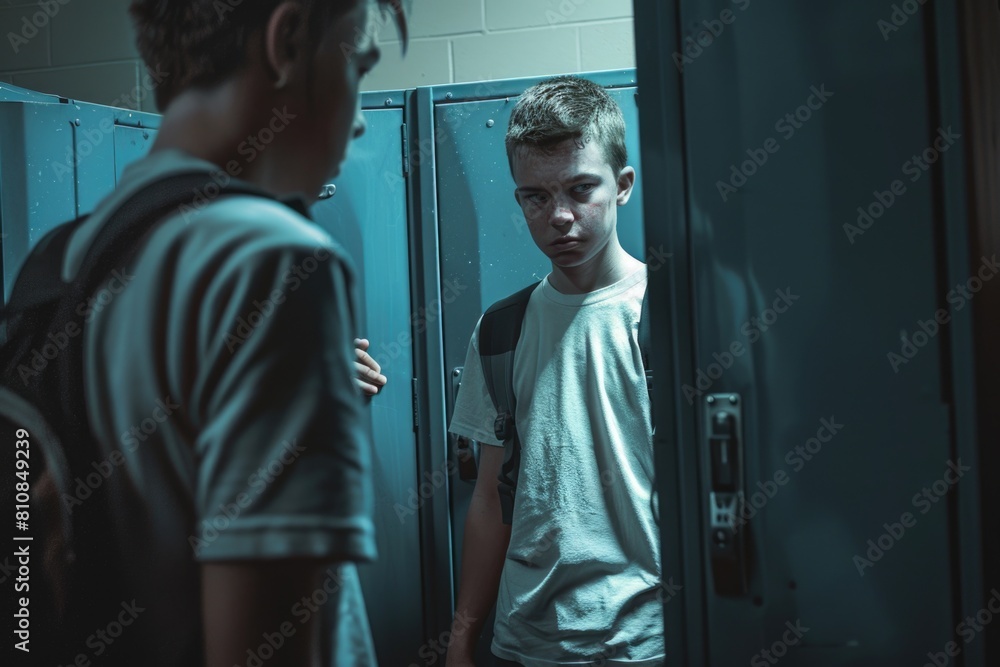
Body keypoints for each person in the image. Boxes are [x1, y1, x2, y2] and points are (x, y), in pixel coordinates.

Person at [59, 1, 403, 664]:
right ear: (288, 41)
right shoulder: (273, 259)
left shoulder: (65, 261)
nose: (359, 120)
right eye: (355, 69)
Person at [446, 76, 664, 666]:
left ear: (623, 186)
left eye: (580, 188)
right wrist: (463, 637)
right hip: (531, 642)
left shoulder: (669, 316)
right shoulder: (501, 330)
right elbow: (489, 498)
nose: (560, 216)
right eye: (535, 197)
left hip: (651, 640)